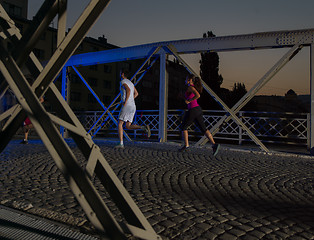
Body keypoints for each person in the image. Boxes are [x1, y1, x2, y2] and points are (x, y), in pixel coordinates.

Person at [179, 74, 220, 156]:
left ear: (190, 80)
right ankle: (214, 145)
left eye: (186, 79)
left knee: (183, 127)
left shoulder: (190, 87)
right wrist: (183, 97)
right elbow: (188, 100)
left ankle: (186, 146)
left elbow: (198, 95)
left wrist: (189, 100)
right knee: (203, 129)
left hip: (193, 110)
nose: (185, 80)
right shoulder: (192, 87)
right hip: (198, 110)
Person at [115, 69, 151, 148]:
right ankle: (143, 127)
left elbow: (128, 90)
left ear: (122, 74)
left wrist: (126, 101)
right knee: (128, 126)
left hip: (127, 105)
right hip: (133, 106)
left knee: (120, 123)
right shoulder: (131, 83)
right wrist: (131, 99)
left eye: (120, 73)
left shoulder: (123, 82)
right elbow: (136, 93)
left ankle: (121, 143)